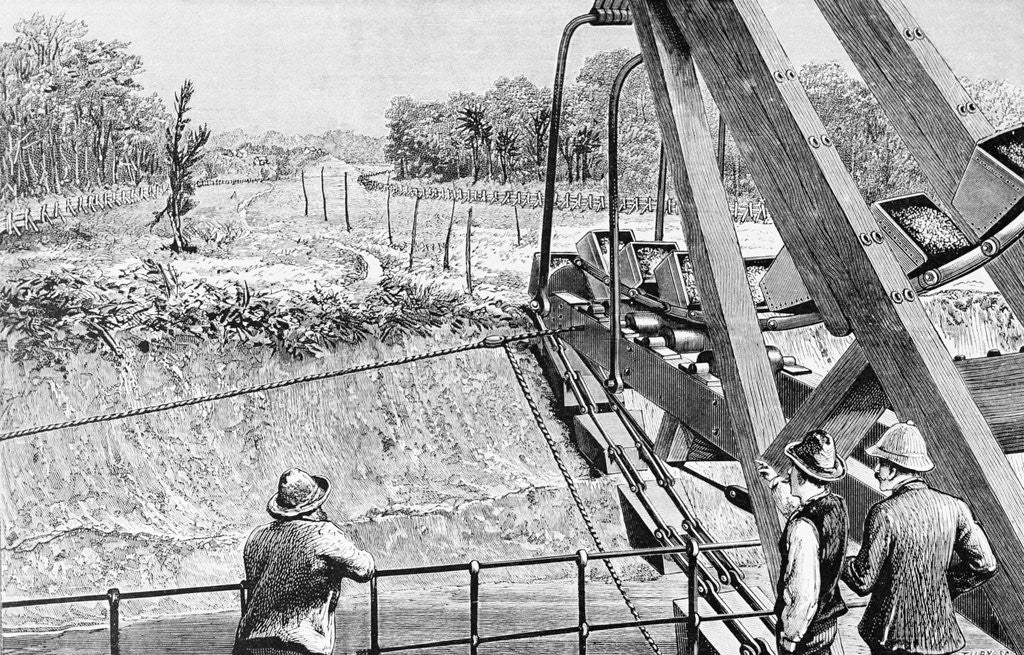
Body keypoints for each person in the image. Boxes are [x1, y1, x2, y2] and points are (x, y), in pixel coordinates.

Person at [842, 420, 998, 655]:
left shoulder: (884, 513)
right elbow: (986, 564)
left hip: (891, 635)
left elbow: (863, 580)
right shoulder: (955, 507)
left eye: (880, 463)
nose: (875, 470)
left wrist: (840, 562)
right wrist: (943, 587)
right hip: (938, 634)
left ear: (893, 467)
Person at [234, 468, 375, 655]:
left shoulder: (257, 536)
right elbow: (364, 569)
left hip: (247, 647)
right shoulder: (322, 534)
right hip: (300, 647)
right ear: (315, 506)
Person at [757, 429, 849, 655]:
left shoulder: (802, 528)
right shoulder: (836, 506)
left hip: (805, 632)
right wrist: (774, 482)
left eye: (794, 468)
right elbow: (797, 508)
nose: (789, 473)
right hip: (826, 623)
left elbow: (804, 592)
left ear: (803, 474)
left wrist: (790, 636)